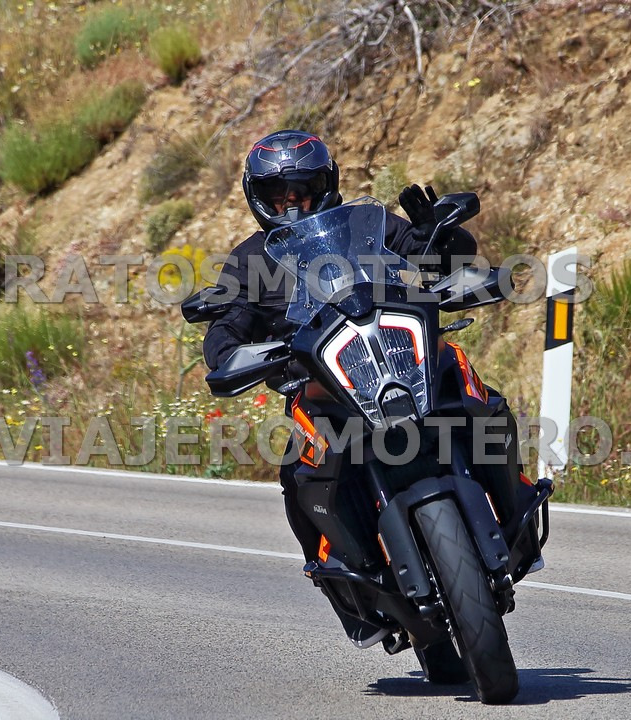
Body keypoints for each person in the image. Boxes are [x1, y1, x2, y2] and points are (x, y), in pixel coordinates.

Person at [201, 129, 535, 648]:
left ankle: (516, 507)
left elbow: (436, 260)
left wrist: (437, 234)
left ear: (328, 183)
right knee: (296, 473)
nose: (293, 202)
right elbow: (228, 322)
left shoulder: (366, 224)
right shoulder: (249, 261)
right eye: (278, 194)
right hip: (322, 384)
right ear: (257, 198)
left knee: (482, 399)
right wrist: (227, 349)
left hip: (405, 358)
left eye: (305, 188)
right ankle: (345, 588)